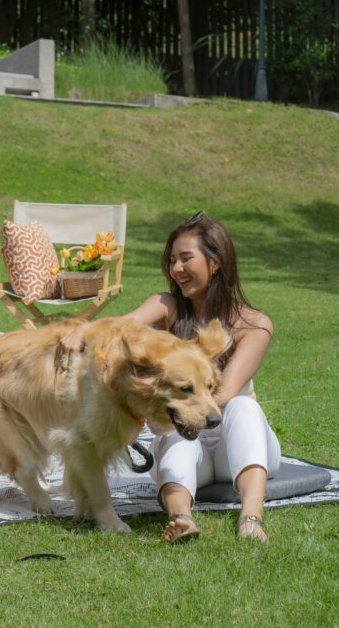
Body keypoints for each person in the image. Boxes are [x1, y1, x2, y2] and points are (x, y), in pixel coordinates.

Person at [61, 212, 279, 542]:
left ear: (216, 262)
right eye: (172, 260)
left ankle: (251, 519)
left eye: (186, 258)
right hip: (194, 454)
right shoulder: (166, 306)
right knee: (176, 420)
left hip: (240, 443)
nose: (176, 269)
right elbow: (124, 325)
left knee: (240, 407)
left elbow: (227, 391)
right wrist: (85, 327)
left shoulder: (254, 325)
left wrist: (161, 403)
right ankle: (181, 519)